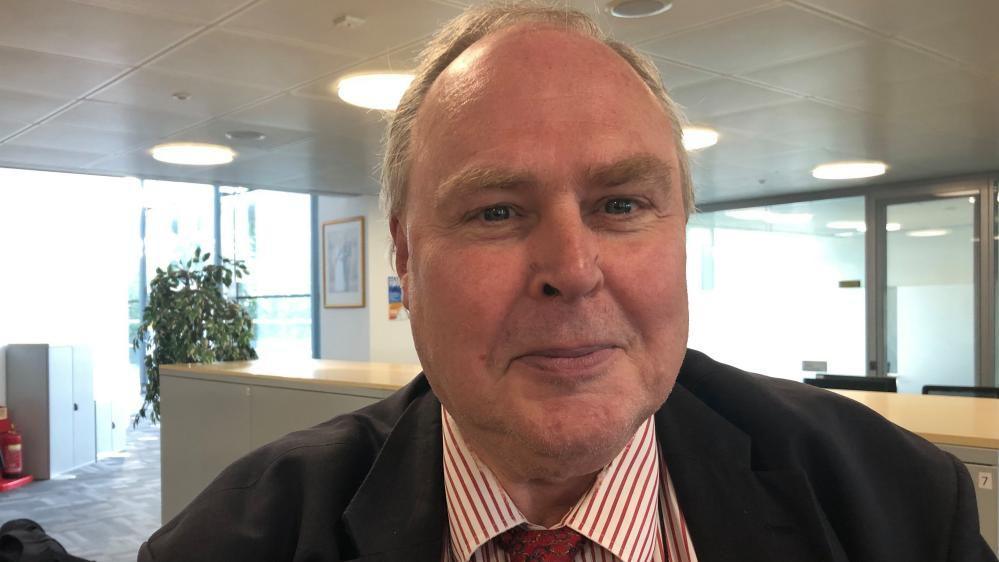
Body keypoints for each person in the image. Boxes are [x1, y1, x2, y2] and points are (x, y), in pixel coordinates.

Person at [138, 3, 997, 561]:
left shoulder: (896, 507)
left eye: (621, 204)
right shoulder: (237, 539)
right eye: (496, 213)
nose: (573, 271)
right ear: (405, 256)